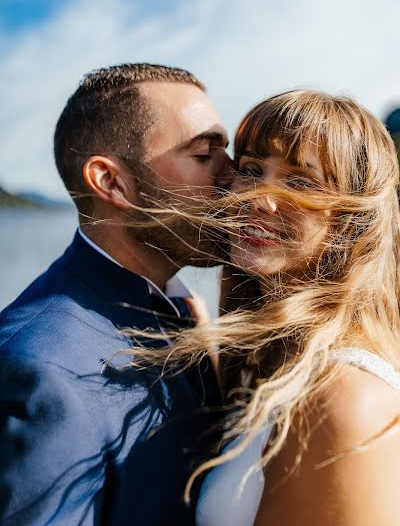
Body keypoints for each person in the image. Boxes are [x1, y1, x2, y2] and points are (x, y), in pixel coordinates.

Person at [132, 90, 400, 525]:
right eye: (252, 170)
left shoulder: (342, 401)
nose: (259, 198)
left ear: (352, 220)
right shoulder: (273, 362)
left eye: (299, 182)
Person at [0, 63, 233, 525]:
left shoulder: (183, 310)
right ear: (111, 182)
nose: (235, 177)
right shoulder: (44, 370)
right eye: (206, 156)